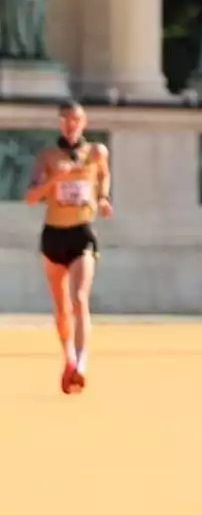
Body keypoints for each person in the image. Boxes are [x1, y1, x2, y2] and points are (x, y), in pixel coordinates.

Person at [24, 100, 112, 394]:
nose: (71, 124)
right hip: (53, 235)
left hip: (81, 233)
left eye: (76, 119)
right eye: (65, 119)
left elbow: (103, 176)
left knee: (79, 298)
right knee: (62, 307)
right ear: (60, 123)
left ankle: (82, 365)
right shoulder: (48, 156)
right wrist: (56, 180)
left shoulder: (96, 152)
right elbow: (30, 197)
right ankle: (69, 360)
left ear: (84, 122)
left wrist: (103, 198)